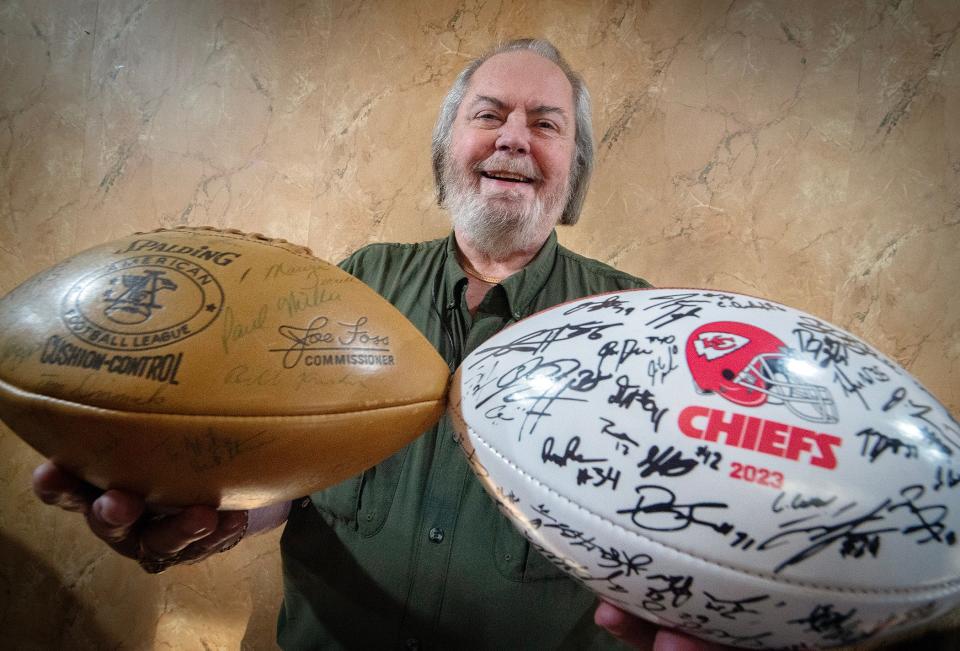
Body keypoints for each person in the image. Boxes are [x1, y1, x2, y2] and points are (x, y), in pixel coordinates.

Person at [33, 39, 730, 650]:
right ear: (445, 149)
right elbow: (295, 473)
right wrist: (215, 505)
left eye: (545, 123)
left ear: (574, 169)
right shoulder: (355, 284)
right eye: (488, 115)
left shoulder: (635, 326)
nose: (513, 138)